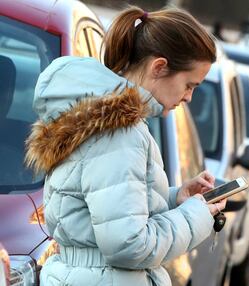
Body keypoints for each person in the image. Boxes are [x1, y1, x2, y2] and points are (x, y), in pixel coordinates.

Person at [25, 5, 226, 286]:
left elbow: (102, 209)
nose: (189, 97)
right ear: (159, 67)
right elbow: (128, 244)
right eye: (189, 85)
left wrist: (175, 198)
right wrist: (197, 215)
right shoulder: (120, 133)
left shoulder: (104, 119)